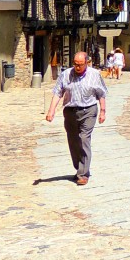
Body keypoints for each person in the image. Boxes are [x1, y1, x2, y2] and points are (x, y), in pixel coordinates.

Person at [45, 51, 107, 186]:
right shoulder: (66, 74)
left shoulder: (94, 75)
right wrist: (51, 111)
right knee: (73, 141)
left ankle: (83, 174)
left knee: (84, 138)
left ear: (87, 63)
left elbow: (101, 93)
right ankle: (80, 167)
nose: (77, 67)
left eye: (80, 64)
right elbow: (57, 93)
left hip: (88, 110)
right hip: (70, 111)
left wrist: (102, 111)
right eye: (75, 64)